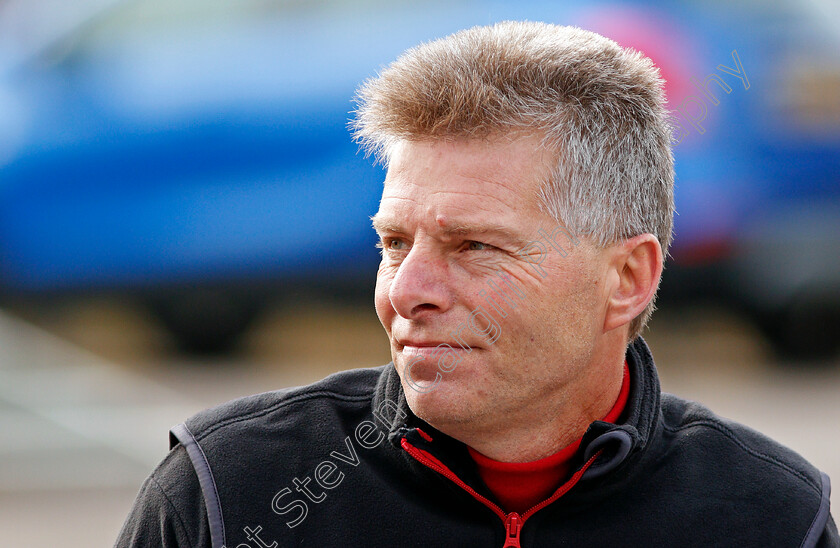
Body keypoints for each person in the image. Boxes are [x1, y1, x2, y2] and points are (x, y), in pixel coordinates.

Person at [115, 21, 837, 547]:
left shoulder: (770, 517)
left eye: (474, 246)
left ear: (627, 278)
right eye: (394, 243)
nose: (407, 291)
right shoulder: (227, 490)